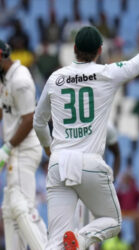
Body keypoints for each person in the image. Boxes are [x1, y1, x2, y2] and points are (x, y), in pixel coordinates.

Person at [33, 1, 139, 249]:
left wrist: (48, 149)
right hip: (89, 163)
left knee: (54, 241)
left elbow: (38, 121)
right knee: (112, 221)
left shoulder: (56, 78)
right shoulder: (108, 74)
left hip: (58, 164)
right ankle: (80, 239)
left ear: (74, 49)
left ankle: (70, 241)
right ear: (99, 50)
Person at [0, 40, 47, 249]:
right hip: (15, 150)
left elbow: (30, 118)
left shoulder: (20, 80)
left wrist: (7, 148)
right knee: (9, 211)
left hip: (23, 149)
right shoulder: (4, 79)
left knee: (21, 207)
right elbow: (6, 110)